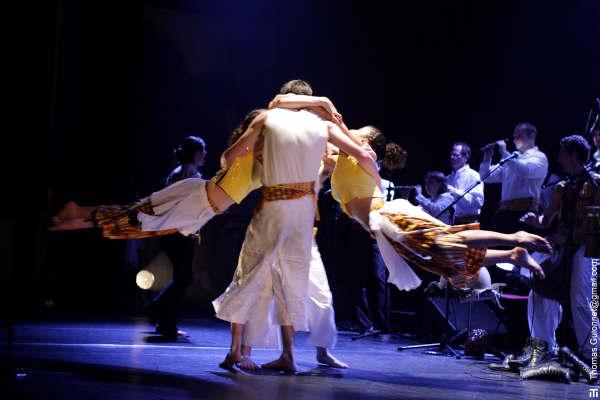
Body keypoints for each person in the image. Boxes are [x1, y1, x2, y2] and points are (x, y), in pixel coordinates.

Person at [212, 96, 380, 372]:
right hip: (295, 218)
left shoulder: (292, 131)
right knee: (266, 285)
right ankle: (251, 351)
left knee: (266, 282)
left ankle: (285, 353)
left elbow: (228, 158)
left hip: (290, 219)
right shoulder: (298, 132)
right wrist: (376, 184)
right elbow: (360, 154)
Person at [509, 134, 600, 382]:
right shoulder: (563, 187)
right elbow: (546, 220)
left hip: (585, 250)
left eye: (562, 153)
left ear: (573, 156)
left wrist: (570, 237)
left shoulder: (595, 184)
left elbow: (595, 225)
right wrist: (534, 221)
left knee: (581, 300)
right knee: (539, 289)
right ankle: (545, 349)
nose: (558, 158)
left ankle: (593, 356)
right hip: (562, 248)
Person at [479, 122, 548, 234]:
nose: (515, 140)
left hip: (524, 212)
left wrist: (504, 153)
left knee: (518, 249)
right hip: (504, 212)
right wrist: (487, 157)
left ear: (532, 136)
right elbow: (486, 177)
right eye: (514, 137)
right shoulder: (513, 157)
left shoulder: (539, 157)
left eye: (519, 136)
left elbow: (525, 171)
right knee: (495, 248)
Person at [446, 142, 484, 224]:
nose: (452, 157)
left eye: (456, 155)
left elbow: (478, 203)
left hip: (468, 222)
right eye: (451, 154)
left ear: (466, 157)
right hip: (450, 222)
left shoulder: (474, 175)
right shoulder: (448, 178)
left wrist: (455, 192)